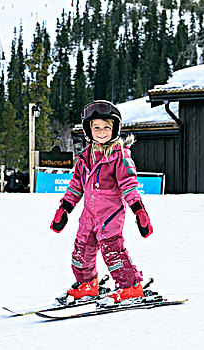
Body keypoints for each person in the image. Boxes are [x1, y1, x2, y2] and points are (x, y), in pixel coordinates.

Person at [50, 100, 153, 304]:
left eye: (107, 127)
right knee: (81, 250)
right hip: (89, 214)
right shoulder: (85, 157)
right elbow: (76, 185)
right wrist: (64, 208)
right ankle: (87, 283)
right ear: (89, 130)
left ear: (115, 129)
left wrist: (139, 211)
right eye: (96, 127)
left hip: (110, 214)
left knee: (112, 250)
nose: (102, 132)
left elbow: (129, 185)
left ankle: (130, 286)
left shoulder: (119, 156)